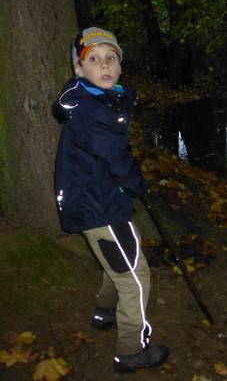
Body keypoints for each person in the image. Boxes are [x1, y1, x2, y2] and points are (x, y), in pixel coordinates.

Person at [52, 27, 169, 374]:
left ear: (120, 65)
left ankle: (105, 312)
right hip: (98, 204)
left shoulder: (101, 98)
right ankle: (131, 350)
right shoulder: (91, 109)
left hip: (102, 197)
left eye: (111, 58)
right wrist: (138, 184)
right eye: (93, 59)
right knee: (135, 277)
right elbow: (115, 155)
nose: (104, 65)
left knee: (120, 260)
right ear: (79, 68)